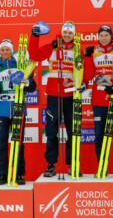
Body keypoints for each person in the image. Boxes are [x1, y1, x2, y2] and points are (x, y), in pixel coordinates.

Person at [28, 21, 85, 177]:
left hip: (71, 96)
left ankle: (73, 164)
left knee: (73, 132)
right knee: (52, 131)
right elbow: (34, 55)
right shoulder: (52, 47)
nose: (67, 35)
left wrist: (84, 83)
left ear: (74, 34)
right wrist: (34, 36)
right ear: (62, 32)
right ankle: (51, 164)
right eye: (65, 32)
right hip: (54, 95)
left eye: (70, 33)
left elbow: (83, 72)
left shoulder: (77, 50)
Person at [83, 25, 113, 178]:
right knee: (99, 135)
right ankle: (102, 166)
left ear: (111, 37)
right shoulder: (94, 53)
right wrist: (86, 56)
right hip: (99, 99)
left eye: (107, 35)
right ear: (98, 37)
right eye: (101, 35)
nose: (104, 38)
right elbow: (89, 75)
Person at [0, 39, 36, 185]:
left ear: (11, 51)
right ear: (0, 51)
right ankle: (2, 174)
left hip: (18, 108)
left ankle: (19, 174)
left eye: (7, 49)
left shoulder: (20, 67)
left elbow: (32, 87)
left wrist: (28, 82)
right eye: (2, 49)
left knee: (19, 143)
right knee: (1, 143)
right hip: (1, 110)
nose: (4, 52)